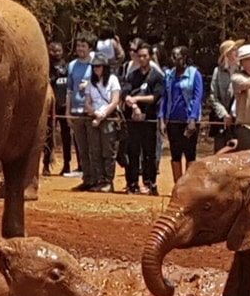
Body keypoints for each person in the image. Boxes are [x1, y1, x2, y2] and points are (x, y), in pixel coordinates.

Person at [121, 43, 163, 195]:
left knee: (149, 154)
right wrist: (133, 106)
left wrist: (136, 99)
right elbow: (125, 93)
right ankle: (132, 183)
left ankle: (150, 183)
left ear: (150, 56)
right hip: (133, 119)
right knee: (132, 152)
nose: (142, 58)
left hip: (149, 120)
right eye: (140, 56)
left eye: (145, 55)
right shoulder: (132, 75)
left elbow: (155, 96)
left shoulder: (156, 76)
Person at [158, 46, 203, 184]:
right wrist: (161, 118)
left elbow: (197, 97)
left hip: (189, 120)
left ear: (184, 58)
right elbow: (164, 97)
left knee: (190, 153)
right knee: (175, 154)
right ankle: (178, 185)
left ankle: (189, 185)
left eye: (177, 56)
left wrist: (193, 119)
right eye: (172, 56)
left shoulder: (195, 74)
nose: (174, 59)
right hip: (173, 120)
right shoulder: (169, 75)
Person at [82, 53, 121, 193]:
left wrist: (102, 115)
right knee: (95, 151)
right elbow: (86, 102)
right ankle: (98, 180)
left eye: (98, 66)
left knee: (108, 151)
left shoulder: (113, 80)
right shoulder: (90, 82)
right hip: (93, 118)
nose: (95, 69)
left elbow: (115, 101)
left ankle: (108, 181)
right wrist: (94, 113)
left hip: (108, 119)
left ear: (105, 67)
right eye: (93, 66)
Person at [65, 34, 95, 190]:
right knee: (82, 148)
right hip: (76, 111)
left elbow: (103, 84)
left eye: (83, 46)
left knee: (93, 148)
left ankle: (97, 179)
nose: (80, 49)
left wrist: (89, 85)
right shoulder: (71, 66)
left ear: (90, 48)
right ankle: (87, 179)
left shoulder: (95, 64)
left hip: (91, 111)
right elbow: (69, 90)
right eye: (78, 46)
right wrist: (68, 111)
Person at [44, 41, 75, 176]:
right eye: (53, 50)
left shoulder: (68, 67)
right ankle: (46, 164)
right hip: (50, 108)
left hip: (64, 106)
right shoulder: (47, 67)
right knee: (47, 136)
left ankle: (67, 164)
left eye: (58, 51)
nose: (56, 53)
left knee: (66, 136)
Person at [207, 39, 242, 150]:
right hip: (221, 121)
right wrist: (224, 114)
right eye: (234, 50)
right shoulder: (217, 72)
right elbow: (213, 96)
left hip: (240, 119)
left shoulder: (242, 70)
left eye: (237, 49)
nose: (237, 52)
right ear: (226, 54)